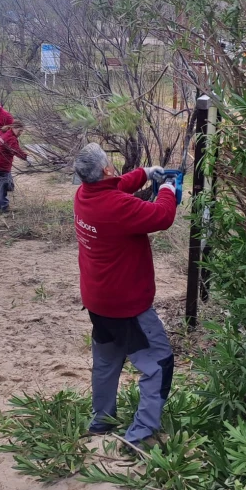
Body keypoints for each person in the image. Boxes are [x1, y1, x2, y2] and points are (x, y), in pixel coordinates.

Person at [72, 143, 178, 451]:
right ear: (106, 169)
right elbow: (161, 216)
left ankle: (101, 420)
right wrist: (168, 189)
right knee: (158, 363)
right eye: (110, 164)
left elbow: (116, 185)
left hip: (98, 301)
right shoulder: (117, 207)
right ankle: (141, 433)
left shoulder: (85, 196)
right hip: (127, 306)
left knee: (106, 362)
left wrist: (144, 174)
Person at [0, 122, 28, 213]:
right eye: (19, 130)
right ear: (14, 128)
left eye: (22, 131)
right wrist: (26, 157)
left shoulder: (4, 132)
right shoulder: (11, 138)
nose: (20, 133)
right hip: (1, 163)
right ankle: (4, 207)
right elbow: (16, 151)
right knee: (3, 186)